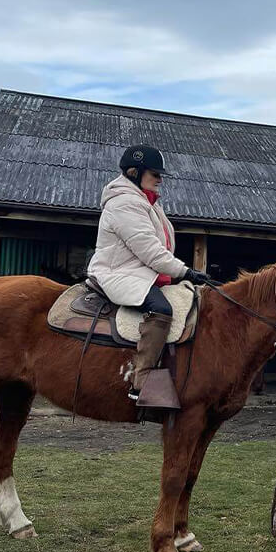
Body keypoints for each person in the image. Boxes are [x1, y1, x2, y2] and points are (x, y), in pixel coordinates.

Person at [86, 144, 212, 402]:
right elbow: (150, 250)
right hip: (118, 273)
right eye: (155, 173)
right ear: (135, 172)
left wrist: (182, 274)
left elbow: (160, 247)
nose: (160, 178)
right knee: (162, 309)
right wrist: (185, 271)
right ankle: (140, 380)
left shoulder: (148, 202)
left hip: (141, 272)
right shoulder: (125, 203)